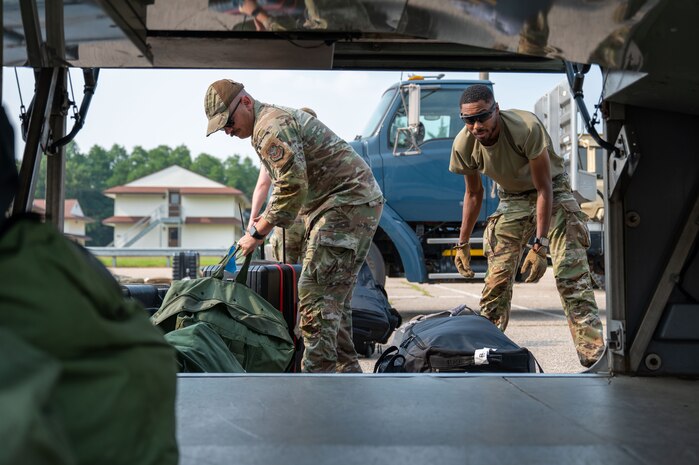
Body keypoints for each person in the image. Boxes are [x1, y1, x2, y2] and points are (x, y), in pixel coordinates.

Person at [204, 79, 384, 373]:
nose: (228, 130)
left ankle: (317, 386)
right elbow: (285, 185)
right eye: (222, 127)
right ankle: (344, 375)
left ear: (246, 102)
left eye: (229, 121)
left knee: (314, 296)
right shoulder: (264, 125)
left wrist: (256, 233)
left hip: (346, 203)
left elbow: (291, 186)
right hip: (342, 203)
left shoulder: (270, 127)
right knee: (331, 301)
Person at [449, 84, 604, 368]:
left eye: (482, 116)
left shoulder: (525, 127)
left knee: (571, 276)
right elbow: (473, 194)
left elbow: (544, 188)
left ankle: (593, 353)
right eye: (468, 120)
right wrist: (462, 243)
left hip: (552, 191)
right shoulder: (463, 144)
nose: (476, 125)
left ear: (496, 109)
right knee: (496, 281)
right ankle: (485, 353)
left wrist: (540, 244)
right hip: (511, 197)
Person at [248, 107, 317, 264]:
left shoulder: (281, 148)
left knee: (286, 272)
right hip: (314, 217)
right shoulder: (319, 148)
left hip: (286, 215)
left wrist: (253, 218)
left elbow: (262, 185)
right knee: (311, 272)